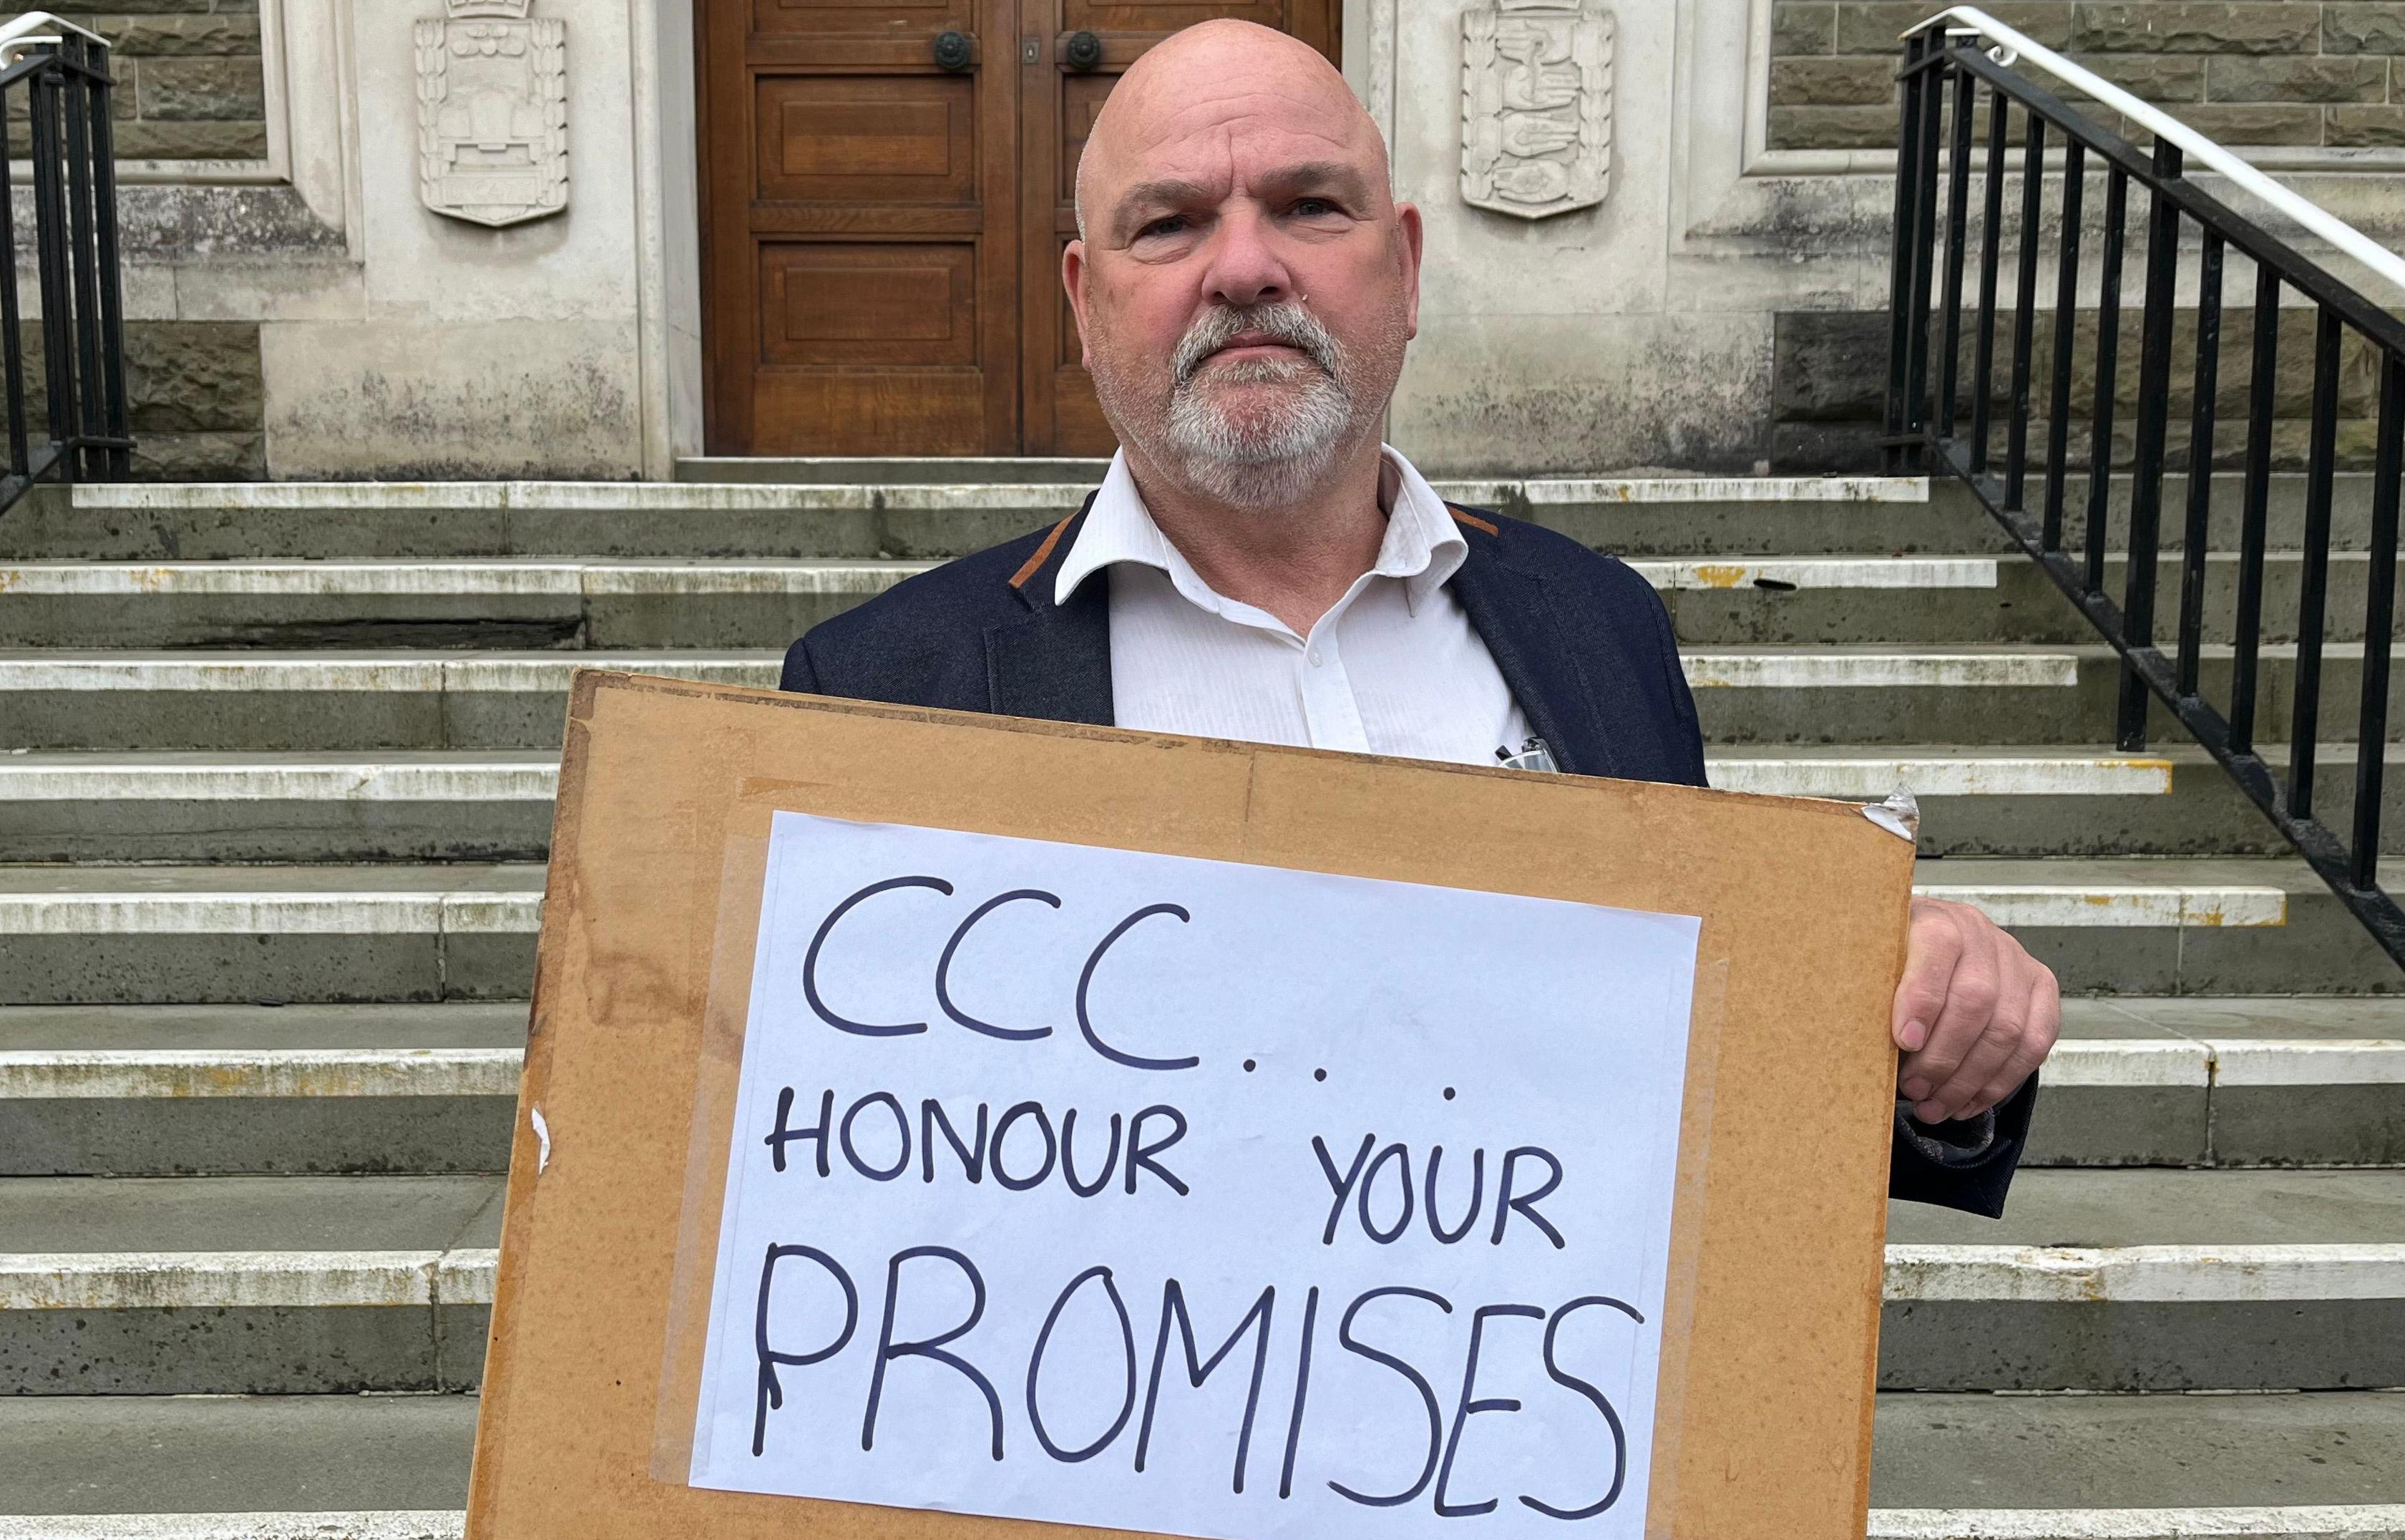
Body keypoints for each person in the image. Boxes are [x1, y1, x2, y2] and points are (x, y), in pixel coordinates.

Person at [779, 19, 2057, 1215]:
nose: (1243, 268)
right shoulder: (883, 686)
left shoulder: (1598, 629)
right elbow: (830, 1175)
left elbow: (1695, 1087)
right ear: (1083, 296)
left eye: (1307, 206)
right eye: (1167, 224)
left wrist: (1928, 1030)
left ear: (1404, 263)